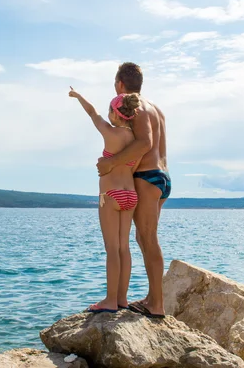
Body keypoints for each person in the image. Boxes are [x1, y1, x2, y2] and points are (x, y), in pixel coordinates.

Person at [97, 62, 170, 319]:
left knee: (148, 239)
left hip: (147, 177)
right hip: (162, 178)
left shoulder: (134, 106)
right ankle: (153, 299)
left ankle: (157, 305)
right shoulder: (155, 107)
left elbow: (145, 143)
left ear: (119, 84)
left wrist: (111, 163)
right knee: (143, 238)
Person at [69, 86, 141, 313]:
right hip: (130, 195)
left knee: (112, 249)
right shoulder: (137, 140)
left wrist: (79, 96)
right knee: (124, 248)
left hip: (110, 196)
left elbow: (92, 114)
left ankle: (110, 301)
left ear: (114, 113)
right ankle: (122, 299)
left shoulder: (110, 133)